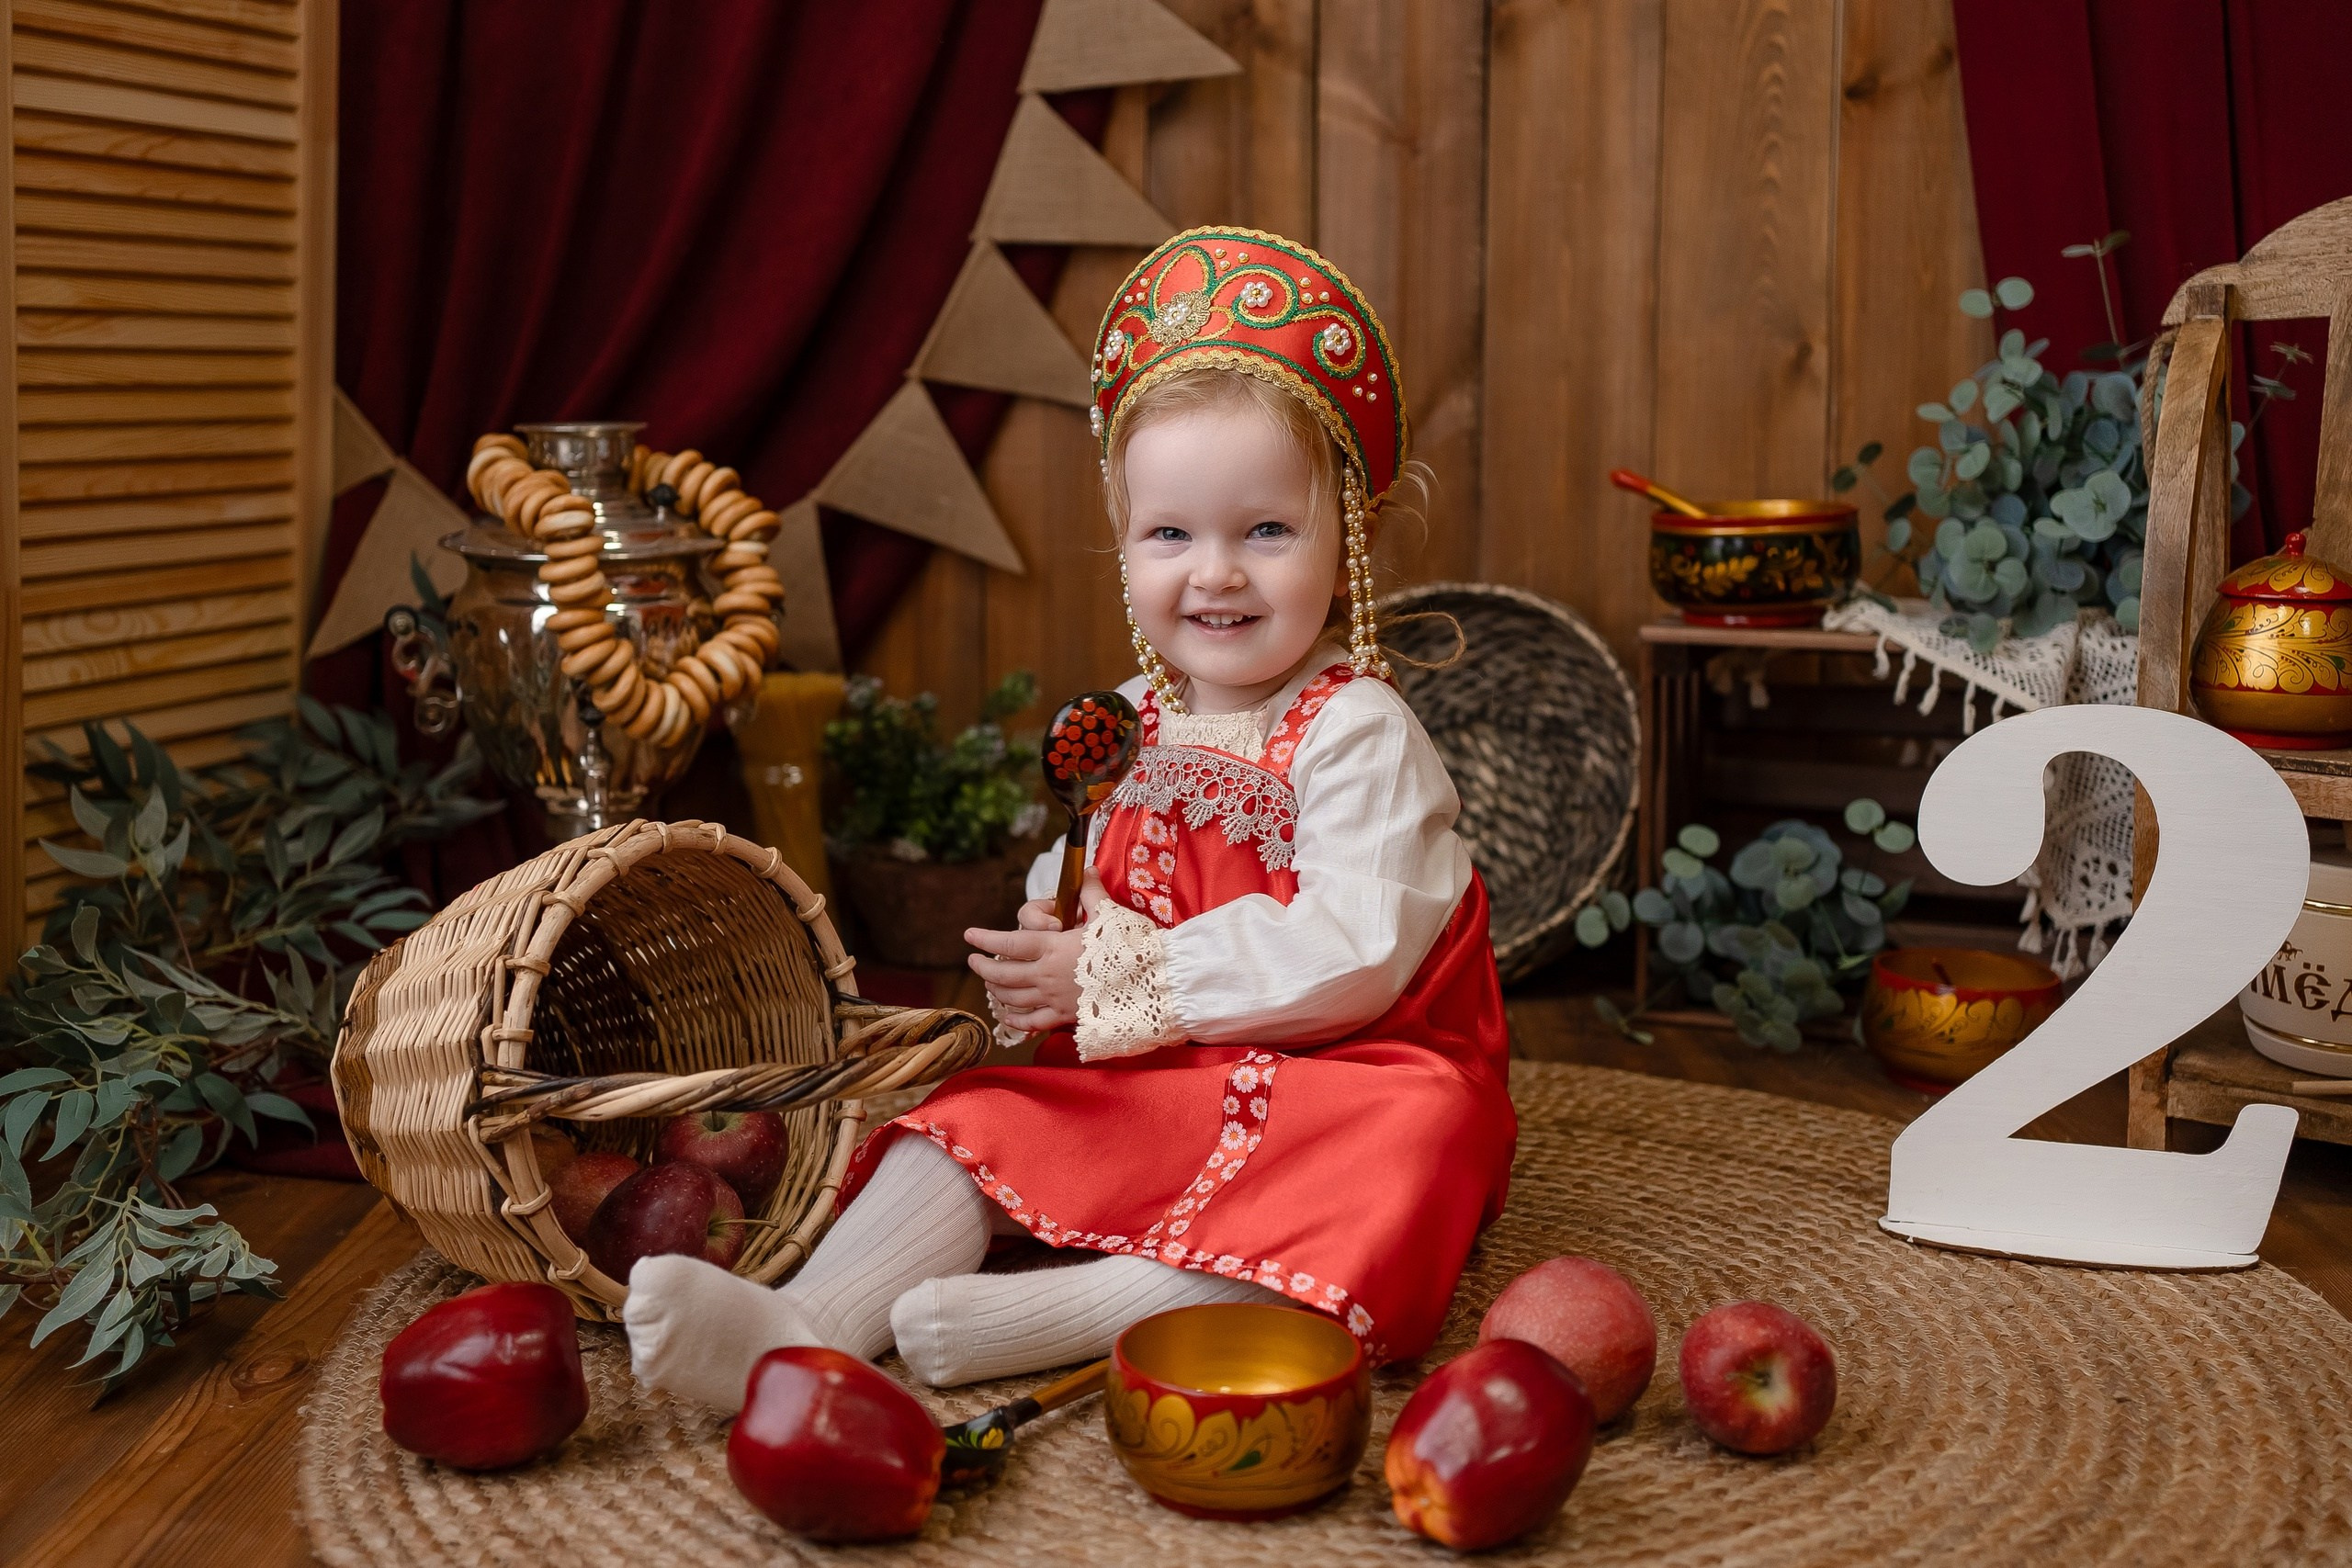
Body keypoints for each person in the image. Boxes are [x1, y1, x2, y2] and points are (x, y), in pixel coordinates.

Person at [625, 227, 1515, 1412]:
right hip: (1167, 1069)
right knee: (973, 1121)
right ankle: (806, 1324)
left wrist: (1113, 981)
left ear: (1344, 540)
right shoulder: (1130, 722)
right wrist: (1056, 938)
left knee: (1420, 1143)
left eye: (1266, 530)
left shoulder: (1355, 732)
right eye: (1171, 534)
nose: (1218, 574)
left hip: (1344, 1072)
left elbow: (1352, 953)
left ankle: (1067, 1316)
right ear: (1124, 538)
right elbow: (1095, 867)